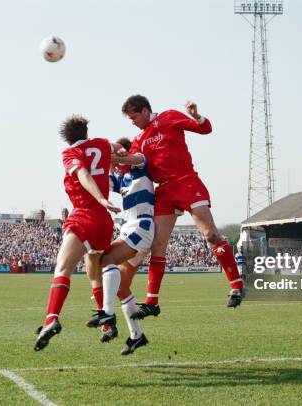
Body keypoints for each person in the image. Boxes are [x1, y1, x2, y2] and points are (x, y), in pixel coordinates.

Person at [119, 95, 244, 319]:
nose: (133, 122)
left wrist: (196, 116)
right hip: (164, 192)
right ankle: (152, 302)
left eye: (134, 117)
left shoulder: (169, 117)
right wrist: (117, 159)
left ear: (146, 111)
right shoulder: (139, 138)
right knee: (158, 245)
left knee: (211, 234)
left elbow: (206, 129)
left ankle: (236, 284)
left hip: (186, 182)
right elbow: (135, 163)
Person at [34, 115, 122, 352]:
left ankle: (51, 318)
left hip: (86, 213)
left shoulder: (69, 154)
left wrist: (101, 199)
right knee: (93, 270)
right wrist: (114, 160)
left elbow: (83, 175)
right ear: (86, 132)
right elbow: (120, 147)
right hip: (105, 222)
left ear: (67, 138)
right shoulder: (103, 144)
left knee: (62, 269)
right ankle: (107, 322)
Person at [90, 137, 155, 355]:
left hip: (141, 226)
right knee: (120, 287)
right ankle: (137, 336)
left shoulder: (140, 165)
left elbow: (134, 158)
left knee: (106, 260)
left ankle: (107, 314)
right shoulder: (123, 178)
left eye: (118, 159)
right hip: (131, 229)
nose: (116, 166)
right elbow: (102, 182)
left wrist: (112, 153)